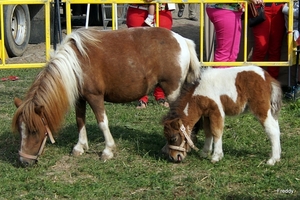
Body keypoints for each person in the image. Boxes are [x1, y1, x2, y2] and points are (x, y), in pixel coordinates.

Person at [126, 2, 175, 108]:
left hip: (162, 11)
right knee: (138, 56)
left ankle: (161, 94)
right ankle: (140, 96)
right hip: (138, 10)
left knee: (162, 56)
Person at [206, 2, 251, 68]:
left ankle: (227, 76)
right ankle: (219, 77)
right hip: (224, 9)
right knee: (225, 54)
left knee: (232, 54)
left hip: (231, 9)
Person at [251, 3, 286, 79]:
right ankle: (255, 81)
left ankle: (272, 83)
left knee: (275, 48)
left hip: (280, 7)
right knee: (261, 47)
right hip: (261, 7)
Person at [282, 1, 300, 99]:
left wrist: (285, 9)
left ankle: (297, 86)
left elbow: (297, 13)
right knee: (292, 60)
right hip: (291, 33)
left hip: (297, 32)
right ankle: (292, 86)